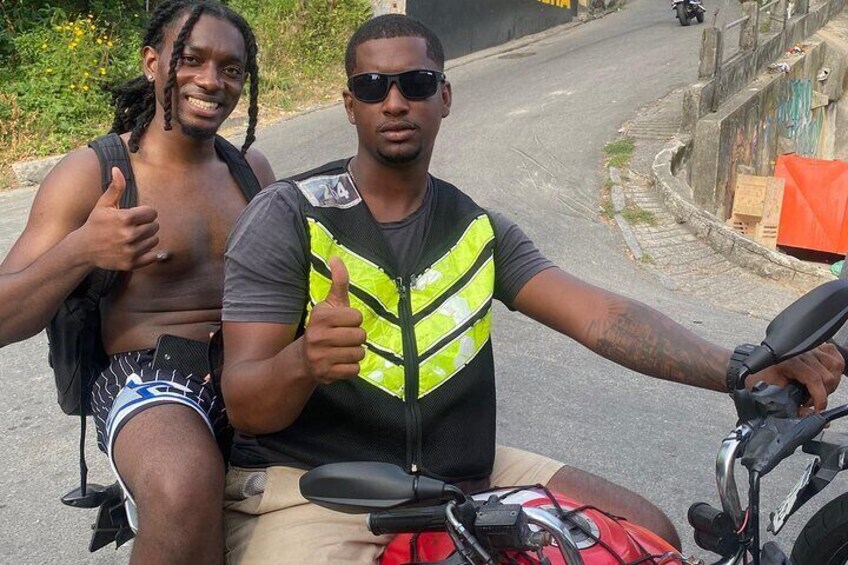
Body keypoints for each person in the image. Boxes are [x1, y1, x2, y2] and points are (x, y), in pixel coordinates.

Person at [219, 14, 843, 563]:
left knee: (647, 536)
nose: (395, 102)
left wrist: (739, 368)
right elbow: (246, 405)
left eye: (417, 83)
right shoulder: (289, 217)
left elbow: (601, 316)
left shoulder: (475, 229)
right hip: (319, 489)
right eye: (372, 86)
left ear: (444, 96)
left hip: (459, 472)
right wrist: (304, 361)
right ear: (349, 104)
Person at [0, 1, 274, 563]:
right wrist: (82, 249)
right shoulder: (95, 172)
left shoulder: (252, 171)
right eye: (191, 59)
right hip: (149, 375)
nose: (211, 80)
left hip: (251, 366)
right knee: (181, 485)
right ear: (153, 62)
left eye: (231, 68)